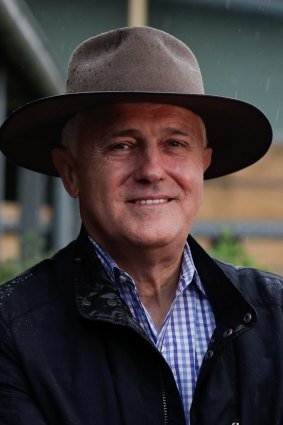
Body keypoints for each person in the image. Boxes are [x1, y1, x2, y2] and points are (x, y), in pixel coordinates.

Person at [0, 26, 281, 425]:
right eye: (121, 145)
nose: (151, 170)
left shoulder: (277, 315)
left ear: (203, 164)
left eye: (175, 144)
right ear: (71, 172)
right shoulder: (11, 331)